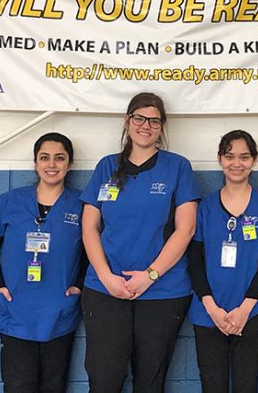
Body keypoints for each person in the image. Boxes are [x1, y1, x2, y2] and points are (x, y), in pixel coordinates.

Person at [80, 92, 200, 392]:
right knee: (104, 380)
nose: (146, 126)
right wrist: (106, 277)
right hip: (106, 289)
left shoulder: (178, 167)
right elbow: (89, 227)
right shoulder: (106, 167)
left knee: (150, 383)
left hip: (162, 292)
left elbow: (185, 229)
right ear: (127, 121)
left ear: (162, 127)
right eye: (139, 118)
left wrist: (150, 275)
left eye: (154, 121)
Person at [0, 132, 87, 393]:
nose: (52, 164)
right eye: (44, 157)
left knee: (54, 386)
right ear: (35, 163)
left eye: (59, 158)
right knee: (19, 385)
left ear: (70, 164)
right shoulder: (11, 201)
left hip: (59, 310)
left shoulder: (81, 205)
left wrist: (78, 286)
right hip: (15, 308)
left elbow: (90, 252)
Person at [188, 130, 258, 393]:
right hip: (209, 312)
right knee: (212, 386)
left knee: (246, 385)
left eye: (244, 157)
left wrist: (245, 309)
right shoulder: (205, 208)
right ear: (220, 159)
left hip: (250, 313)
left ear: (254, 160)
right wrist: (211, 307)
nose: (237, 163)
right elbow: (194, 262)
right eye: (230, 156)